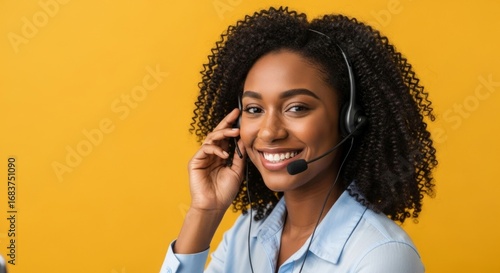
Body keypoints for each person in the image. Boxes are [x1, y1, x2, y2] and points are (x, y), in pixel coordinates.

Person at [160, 6, 437, 273]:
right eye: (254, 110)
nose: (269, 132)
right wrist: (205, 211)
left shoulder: (381, 255)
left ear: (349, 120)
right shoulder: (248, 232)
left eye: (296, 108)